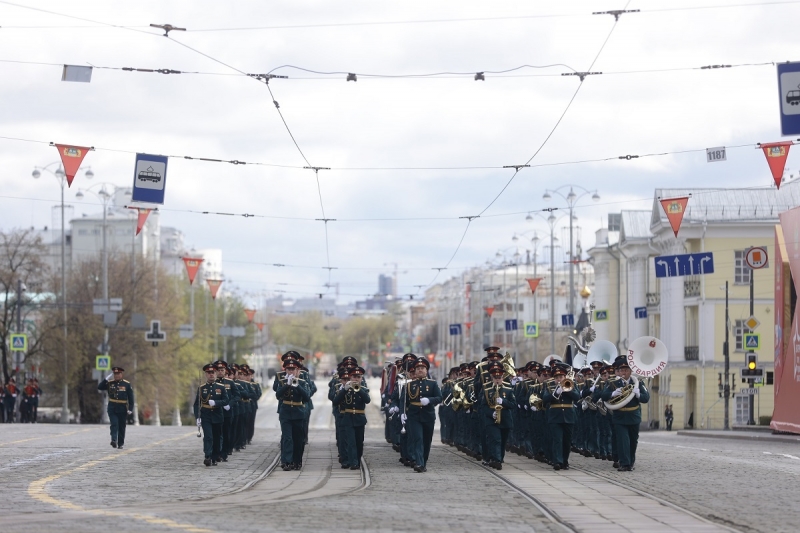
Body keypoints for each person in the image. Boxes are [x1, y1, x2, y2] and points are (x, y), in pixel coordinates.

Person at [601, 356, 650, 471]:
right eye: (622, 370)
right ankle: (624, 463)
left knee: (633, 441)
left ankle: (631, 462)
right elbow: (603, 396)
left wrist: (638, 394)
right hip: (620, 416)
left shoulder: (638, 383)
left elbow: (646, 398)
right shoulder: (613, 383)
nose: (624, 373)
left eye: (626, 370)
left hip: (633, 416)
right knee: (623, 441)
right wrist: (613, 394)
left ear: (630, 371)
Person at [403, 358, 441, 473]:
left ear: (426, 370)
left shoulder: (433, 384)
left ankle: (423, 462)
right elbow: (404, 401)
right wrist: (402, 413)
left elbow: (439, 398)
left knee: (426, 441)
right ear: (415, 370)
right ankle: (419, 463)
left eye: (422, 368)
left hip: (428, 415)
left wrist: (429, 400)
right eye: (418, 368)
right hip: (414, 416)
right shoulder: (409, 385)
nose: (420, 370)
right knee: (417, 439)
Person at [542, 363, 580, 471]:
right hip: (555, 416)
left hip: (569, 415)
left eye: (561, 377)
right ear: (554, 378)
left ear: (565, 377)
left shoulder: (571, 383)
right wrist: (555, 393)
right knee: (557, 439)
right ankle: (557, 461)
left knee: (567, 441)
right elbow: (545, 399)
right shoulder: (549, 385)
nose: (559, 379)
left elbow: (577, 396)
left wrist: (567, 390)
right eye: (557, 378)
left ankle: (565, 461)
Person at [478, 361, 516, 470]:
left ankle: (499, 457)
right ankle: (496, 460)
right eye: (495, 377)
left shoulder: (508, 389)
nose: (497, 379)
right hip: (491, 419)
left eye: (499, 377)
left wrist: (503, 402)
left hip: (505, 418)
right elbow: (483, 406)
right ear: (492, 377)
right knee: (495, 439)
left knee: (503, 441)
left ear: (502, 377)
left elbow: (513, 404)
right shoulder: (486, 389)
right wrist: (491, 413)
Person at [332, 365, 370, 470]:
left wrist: (359, 389)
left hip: (360, 418)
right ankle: (353, 463)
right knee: (351, 441)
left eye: (358, 377)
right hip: (348, 418)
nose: (356, 379)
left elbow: (367, 400)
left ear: (361, 378)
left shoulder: (364, 389)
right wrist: (344, 389)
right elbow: (335, 402)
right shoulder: (345, 389)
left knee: (359, 442)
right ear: (350, 377)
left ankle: (357, 459)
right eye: (354, 377)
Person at [276, 358, 311, 471]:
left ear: (298, 371)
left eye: (293, 369)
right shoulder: (282, 382)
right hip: (285, 412)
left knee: (298, 439)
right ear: (285, 370)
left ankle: (297, 461)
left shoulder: (303, 382)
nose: (291, 372)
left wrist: (297, 386)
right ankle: (286, 461)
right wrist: (287, 384)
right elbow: (278, 395)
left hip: (298, 413)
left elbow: (306, 397)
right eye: (289, 369)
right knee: (287, 438)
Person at [193, 363, 230, 466]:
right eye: (209, 373)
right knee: (208, 436)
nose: (211, 375)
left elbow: (226, 400)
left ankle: (215, 455)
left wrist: (216, 403)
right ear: (206, 374)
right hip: (206, 415)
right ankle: (208, 456)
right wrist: (197, 417)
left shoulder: (221, 387)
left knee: (217, 437)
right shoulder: (201, 388)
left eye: (213, 372)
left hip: (218, 415)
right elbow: (197, 404)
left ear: (216, 373)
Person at [98, 367, 134, 449]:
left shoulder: (127, 384)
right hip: (112, 407)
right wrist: (105, 379)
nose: (116, 375)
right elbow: (99, 387)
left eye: (118, 374)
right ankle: (114, 440)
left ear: (121, 374)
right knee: (114, 424)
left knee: (121, 426)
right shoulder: (110, 383)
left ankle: (120, 443)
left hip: (122, 407)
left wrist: (130, 409)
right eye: (115, 374)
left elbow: (131, 398)